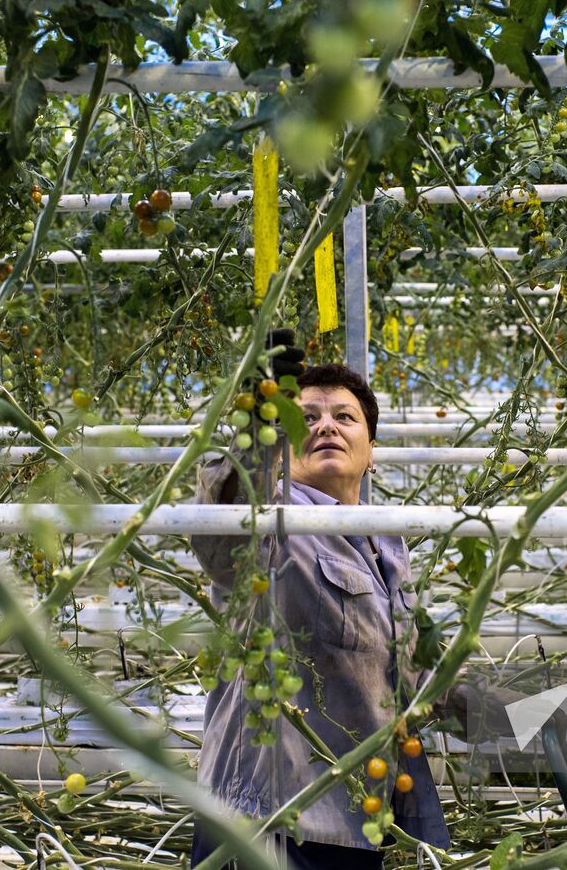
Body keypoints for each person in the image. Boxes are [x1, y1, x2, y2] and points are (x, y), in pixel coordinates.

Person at [188, 330, 476, 869]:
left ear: (371, 451)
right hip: (267, 822)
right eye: (307, 417)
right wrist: (256, 430)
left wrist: (524, 716)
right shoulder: (274, 517)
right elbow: (224, 531)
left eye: (345, 418)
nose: (325, 425)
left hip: (356, 825)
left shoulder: (386, 542)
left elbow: (414, 676)